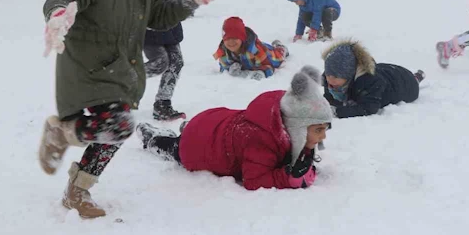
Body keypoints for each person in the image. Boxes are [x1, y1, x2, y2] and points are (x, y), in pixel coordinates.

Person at [37, 0, 227, 219]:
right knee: (120, 126)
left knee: (115, 131)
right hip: (89, 69)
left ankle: (76, 192)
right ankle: (61, 133)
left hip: (120, 70)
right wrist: (58, 15)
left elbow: (159, 15)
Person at [137, 66, 333, 191]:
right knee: (175, 147)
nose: (323, 135)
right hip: (197, 147)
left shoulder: (285, 111)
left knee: (199, 132)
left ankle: (189, 128)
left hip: (213, 122)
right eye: (318, 130)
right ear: (297, 127)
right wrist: (286, 177)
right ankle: (152, 138)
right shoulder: (261, 139)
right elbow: (254, 180)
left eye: (325, 128)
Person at [322, 40, 424, 118]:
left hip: (406, 83)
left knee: (412, 81)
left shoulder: (370, 82)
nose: (330, 81)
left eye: (336, 77)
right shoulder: (329, 78)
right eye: (328, 75)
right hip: (385, 70)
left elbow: (369, 108)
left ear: (349, 76)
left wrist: (337, 112)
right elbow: (328, 99)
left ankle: (417, 77)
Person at [213, 16, 288, 80]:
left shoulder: (255, 51)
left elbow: (269, 67)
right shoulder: (223, 53)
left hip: (266, 54)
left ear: (242, 38)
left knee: (278, 56)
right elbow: (223, 68)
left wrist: (261, 72)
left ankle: (280, 47)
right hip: (255, 54)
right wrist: (229, 69)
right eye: (227, 39)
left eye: (235, 38)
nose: (231, 42)